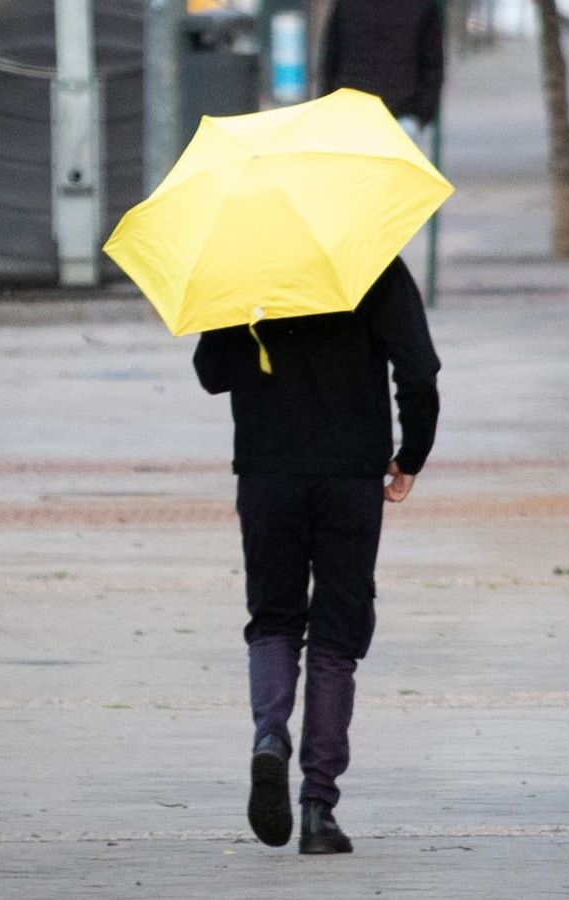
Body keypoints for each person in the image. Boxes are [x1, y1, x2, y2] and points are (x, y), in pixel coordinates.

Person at [193, 258, 440, 855]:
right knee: (337, 631)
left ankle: (269, 740)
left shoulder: (243, 262)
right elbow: (418, 369)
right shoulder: (373, 260)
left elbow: (211, 373)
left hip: (266, 470)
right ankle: (317, 807)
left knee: (274, 619)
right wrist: (412, 453)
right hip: (350, 475)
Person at [319, 0, 444, 138]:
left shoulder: (346, 4)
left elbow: (331, 59)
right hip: (398, 111)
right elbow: (432, 65)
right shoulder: (423, 5)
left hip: (353, 108)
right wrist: (420, 114)